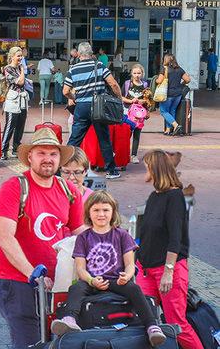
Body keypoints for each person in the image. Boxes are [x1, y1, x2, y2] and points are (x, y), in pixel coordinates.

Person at [0, 128, 85, 348]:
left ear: (60, 159)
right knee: (30, 343)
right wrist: (32, 273)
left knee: (59, 343)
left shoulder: (69, 190)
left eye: (53, 154)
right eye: (41, 153)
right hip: (18, 283)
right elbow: (5, 237)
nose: (47, 159)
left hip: (58, 284)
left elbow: (80, 232)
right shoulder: (14, 187)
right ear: (30, 157)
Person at [50, 191, 168, 347]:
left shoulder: (122, 235)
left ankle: (152, 326)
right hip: (91, 282)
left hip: (115, 280)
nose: (101, 214)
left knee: (134, 288)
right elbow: (80, 268)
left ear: (113, 212)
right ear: (89, 213)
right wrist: (91, 280)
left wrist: (127, 276)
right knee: (76, 288)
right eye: (96, 210)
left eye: (105, 210)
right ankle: (69, 319)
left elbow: (130, 264)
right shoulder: (83, 238)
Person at [135, 150, 203, 349]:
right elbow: (149, 233)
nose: (144, 168)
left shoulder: (174, 197)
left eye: (147, 165)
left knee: (176, 324)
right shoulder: (155, 196)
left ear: (156, 168)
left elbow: (176, 237)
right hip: (146, 269)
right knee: (147, 321)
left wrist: (168, 271)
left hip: (167, 270)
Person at [64, 41, 123, 179]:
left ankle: (62, 167)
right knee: (104, 139)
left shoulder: (72, 69)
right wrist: (119, 98)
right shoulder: (100, 66)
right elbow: (113, 84)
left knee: (74, 140)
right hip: (98, 107)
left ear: (78, 54)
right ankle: (111, 170)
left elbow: (65, 90)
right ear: (91, 54)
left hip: (81, 107)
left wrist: (74, 97)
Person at [1, 47, 29, 160]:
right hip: (12, 101)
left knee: (20, 126)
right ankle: (3, 150)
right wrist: (22, 70)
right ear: (12, 56)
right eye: (18, 56)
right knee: (10, 126)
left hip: (22, 100)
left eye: (21, 56)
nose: (20, 58)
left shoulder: (18, 68)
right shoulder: (8, 69)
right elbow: (20, 82)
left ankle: (16, 148)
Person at [156, 54, 191, 136]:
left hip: (167, 94)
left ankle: (176, 125)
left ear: (165, 60)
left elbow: (159, 81)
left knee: (163, 111)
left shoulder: (165, 69)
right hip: (178, 94)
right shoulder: (179, 69)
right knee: (172, 110)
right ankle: (168, 130)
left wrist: (156, 79)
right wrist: (181, 84)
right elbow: (188, 79)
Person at [122, 64, 148, 163]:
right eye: (135, 73)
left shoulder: (145, 85)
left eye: (139, 73)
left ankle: (134, 155)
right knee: (126, 133)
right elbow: (121, 97)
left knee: (137, 134)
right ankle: (124, 153)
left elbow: (147, 99)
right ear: (131, 74)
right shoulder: (127, 83)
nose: (137, 75)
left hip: (139, 114)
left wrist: (144, 103)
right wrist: (131, 101)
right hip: (127, 111)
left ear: (142, 74)